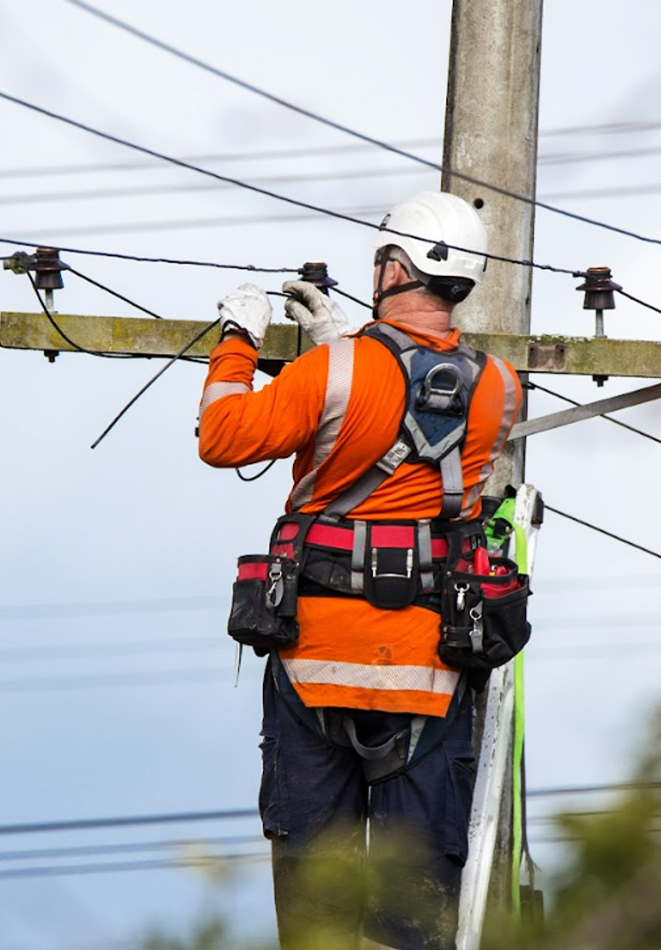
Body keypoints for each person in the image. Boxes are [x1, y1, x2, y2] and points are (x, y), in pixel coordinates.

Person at [198, 191, 522, 950]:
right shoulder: (499, 387)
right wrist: (345, 347)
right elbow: (419, 412)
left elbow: (222, 435)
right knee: (413, 919)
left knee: (319, 914)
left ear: (396, 266)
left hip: (315, 666)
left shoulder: (332, 372)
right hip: (428, 676)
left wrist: (238, 339)